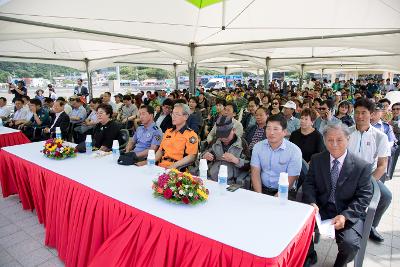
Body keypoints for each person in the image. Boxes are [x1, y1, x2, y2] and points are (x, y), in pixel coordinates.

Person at [302, 123, 373, 267]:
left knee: (350, 245)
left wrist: (345, 216)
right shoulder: (317, 159)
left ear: (348, 139)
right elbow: (308, 183)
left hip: (346, 211)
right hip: (320, 208)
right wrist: (311, 202)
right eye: (330, 140)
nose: (334, 144)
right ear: (324, 140)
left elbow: (364, 196)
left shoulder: (362, 166)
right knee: (299, 229)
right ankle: (310, 255)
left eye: (339, 140)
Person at [348, 98, 391, 243]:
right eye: (357, 112)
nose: (359, 116)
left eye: (364, 113)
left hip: (368, 176)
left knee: (386, 196)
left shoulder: (380, 137)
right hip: (347, 174)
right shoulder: (346, 133)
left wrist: (367, 182)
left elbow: (382, 165)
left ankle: (371, 226)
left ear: (372, 114)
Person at [250, 114, 302, 198]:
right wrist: (259, 196)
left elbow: (291, 179)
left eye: (275, 129)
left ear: (284, 132)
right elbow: (255, 172)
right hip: (261, 188)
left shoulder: (294, 151)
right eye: (268, 128)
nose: (271, 132)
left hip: (285, 191)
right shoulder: (258, 147)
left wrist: (274, 199)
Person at [144, 103, 198, 169]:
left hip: (177, 168)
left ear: (185, 117)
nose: (173, 116)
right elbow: (161, 151)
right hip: (160, 166)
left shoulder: (191, 135)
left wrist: (174, 166)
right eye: (173, 113)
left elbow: (191, 156)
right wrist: (150, 162)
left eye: (177, 114)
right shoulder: (168, 132)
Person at [201, 116, 250, 183]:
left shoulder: (242, 143)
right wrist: (204, 156)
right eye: (221, 135)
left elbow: (249, 165)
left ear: (234, 130)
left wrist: (236, 160)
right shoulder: (215, 141)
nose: (223, 138)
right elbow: (203, 156)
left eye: (226, 134)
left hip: (231, 182)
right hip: (211, 179)